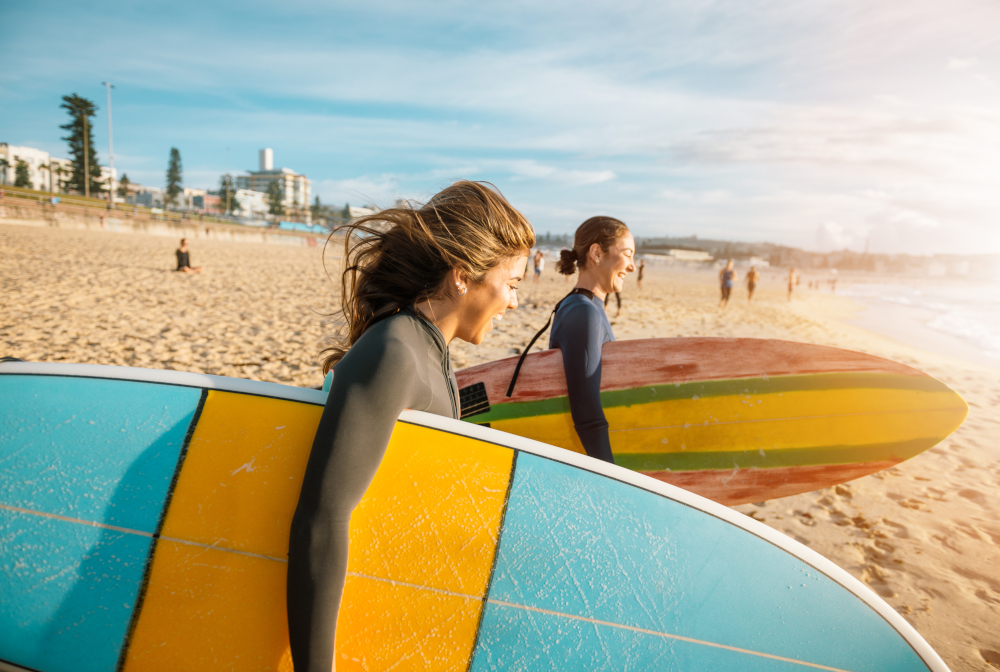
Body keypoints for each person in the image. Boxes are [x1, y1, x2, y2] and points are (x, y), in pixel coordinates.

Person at [287, 181, 534, 672]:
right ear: (463, 277)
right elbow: (322, 518)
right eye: (512, 283)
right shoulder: (394, 352)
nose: (511, 301)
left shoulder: (434, 356)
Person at [551, 216, 635, 463]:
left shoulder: (585, 306)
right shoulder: (583, 312)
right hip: (586, 460)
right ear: (597, 252)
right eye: (627, 254)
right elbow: (587, 414)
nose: (631, 266)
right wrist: (610, 477)